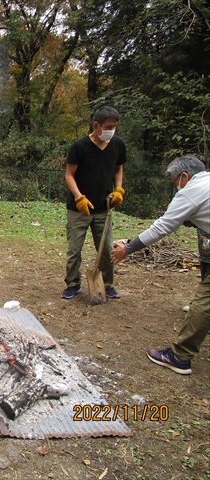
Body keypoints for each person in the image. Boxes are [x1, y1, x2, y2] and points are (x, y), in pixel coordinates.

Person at [111, 156, 210, 375]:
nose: (176, 188)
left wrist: (127, 249)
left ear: (184, 176)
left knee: (204, 303)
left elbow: (162, 227)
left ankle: (180, 357)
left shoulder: (191, 191)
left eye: (175, 182)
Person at [62, 106, 127, 300]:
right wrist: (79, 197)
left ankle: (107, 284)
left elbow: (118, 168)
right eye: (108, 126)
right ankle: (72, 284)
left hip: (104, 208)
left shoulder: (117, 144)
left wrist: (119, 189)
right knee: (74, 250)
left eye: (114, 126)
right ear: (96, 125)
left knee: (107, 249)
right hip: (79, 209)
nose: (112, 130)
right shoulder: (80, 146)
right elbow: (69, 175)